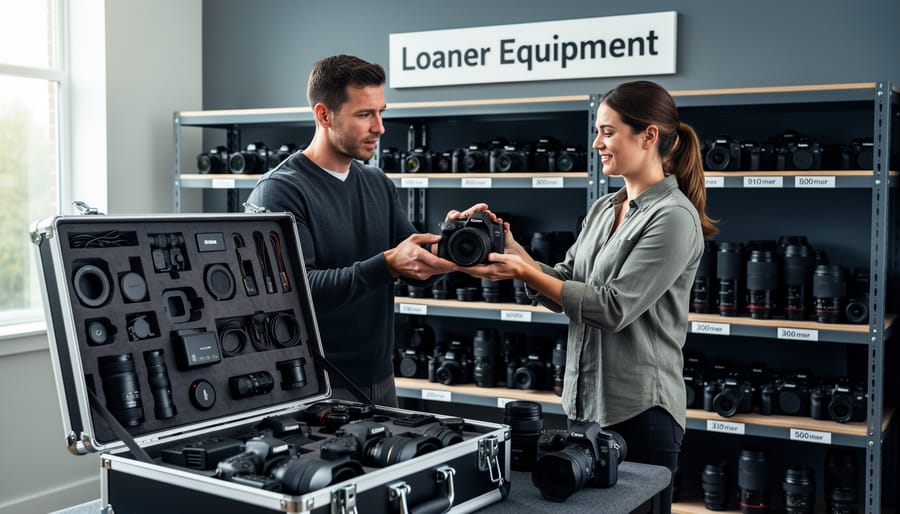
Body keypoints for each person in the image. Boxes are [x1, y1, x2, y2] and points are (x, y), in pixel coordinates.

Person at [464, 80, 718, 512]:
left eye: (607, 131)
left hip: (641, 416)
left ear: (648, 135)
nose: (597, 143)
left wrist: (525, 270)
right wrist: (509, 248)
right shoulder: (604, 208)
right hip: (585, 408)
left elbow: (612, 307)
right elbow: (566, 278)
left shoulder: (674, 218)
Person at [245, 54, 462, 406]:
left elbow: (417, 270)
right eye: (365, 115)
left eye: (381, 112)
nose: (380, 127)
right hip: (315, 386)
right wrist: (387, 265)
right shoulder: (280, 191)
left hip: (380, 377)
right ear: (324, 115)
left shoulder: (377, 182)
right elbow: (299, 290)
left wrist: (453, 242)